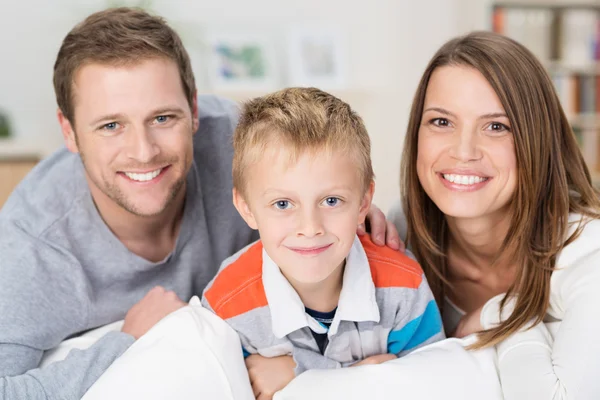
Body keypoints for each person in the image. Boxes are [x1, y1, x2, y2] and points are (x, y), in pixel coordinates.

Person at [0, 8, 397, 399]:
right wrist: (127, 342)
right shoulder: (32, 247)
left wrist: (346, 213)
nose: (143, 151)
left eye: (162, 118)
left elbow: (323, 185)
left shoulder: (241, 143)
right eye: (110, 126)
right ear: (68, 132)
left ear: (193, 110)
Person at [390, 31, 600, 399]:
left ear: (537, 140)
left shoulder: (589, 251)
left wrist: (500, 317)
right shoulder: (402, 229)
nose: (464, 151)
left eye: (496, 126)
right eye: (441, 122)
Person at [200, 87, 444, 398]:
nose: (310, 227)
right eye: (283, 204)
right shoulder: (226, 303)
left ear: (363, 201)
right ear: (246, 208)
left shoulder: (403, 288)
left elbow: (434, 385)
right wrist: (374, 376)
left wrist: (301, 372)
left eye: (331, 200)